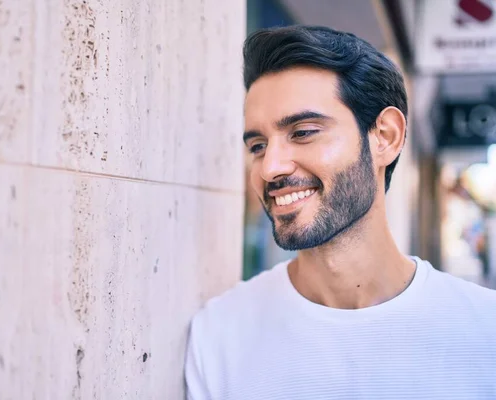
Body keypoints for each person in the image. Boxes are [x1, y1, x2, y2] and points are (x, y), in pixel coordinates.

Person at [184, 25, 496, 400]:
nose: (270, 168)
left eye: (303, 132)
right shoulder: (219, 336)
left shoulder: (483, 331)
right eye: (258, 145)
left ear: (385, 137)